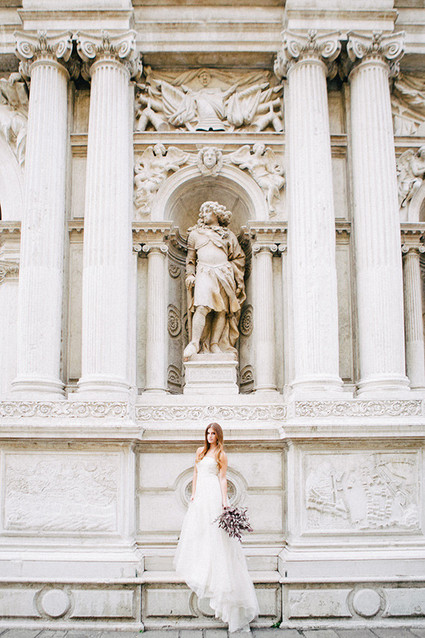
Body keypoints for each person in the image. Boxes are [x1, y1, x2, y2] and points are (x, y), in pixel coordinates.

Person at [174, 423, 259, 633]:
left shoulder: (221, 454)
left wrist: (225, 500)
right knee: (198, 529)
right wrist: (194, 494)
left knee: (215, 531)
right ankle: (201, 561)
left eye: (213, 433)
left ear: (218, 436)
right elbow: (195, 474)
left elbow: (222, 478)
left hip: (212, 492)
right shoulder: (200, 452)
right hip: (201, 494)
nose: (210, 436)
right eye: (208, 433)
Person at [183, 201, 246, 359]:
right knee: (201, 307)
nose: (203, 215)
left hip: (224, 273)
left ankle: (215, 344)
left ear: (217, 214)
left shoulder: (228, 235)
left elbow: (238, 257)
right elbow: (190, 259)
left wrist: (235, 275)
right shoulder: (195, 234)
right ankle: (195, 343)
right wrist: (190, 274)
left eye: (207, 211)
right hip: (204, 272)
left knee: (222, 310)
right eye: (202, 212)